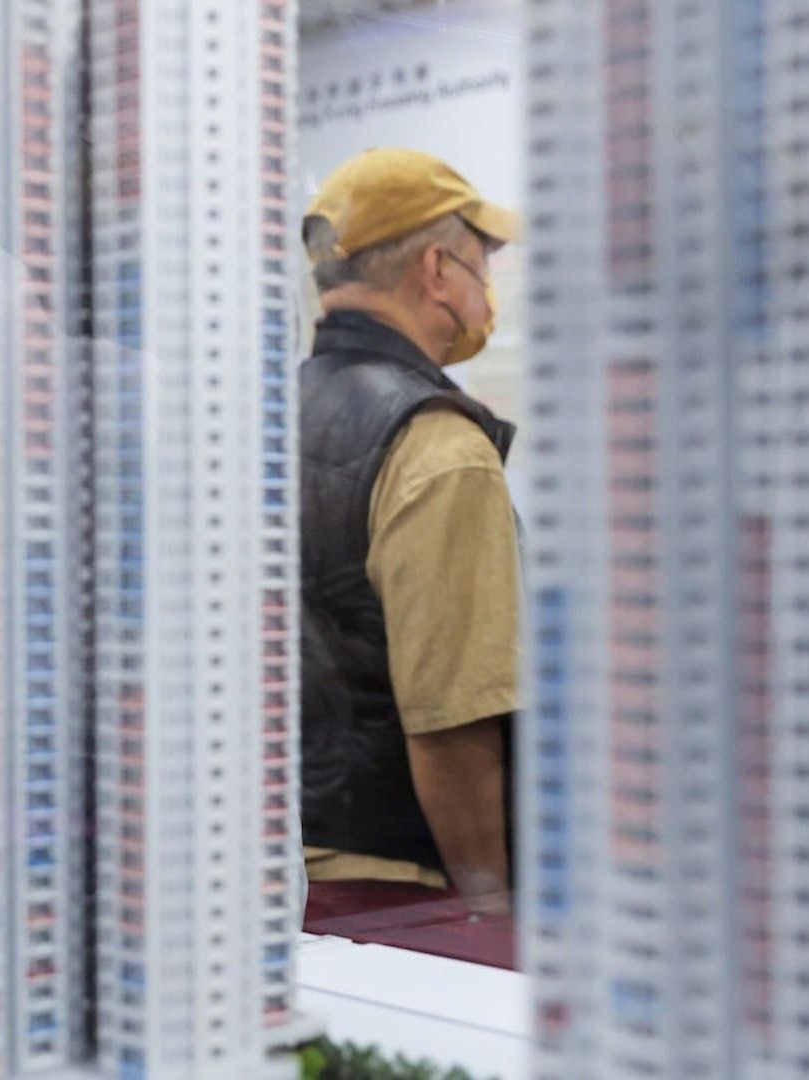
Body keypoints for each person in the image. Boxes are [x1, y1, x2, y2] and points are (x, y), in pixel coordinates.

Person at [295, 148, 521, 930]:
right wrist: (488, 910)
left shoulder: (263, 416)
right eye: (482, 264)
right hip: (400, 895)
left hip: (281, 873)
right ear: (437, 271)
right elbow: (450, 725)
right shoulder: (437, 445)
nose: (485, 289)